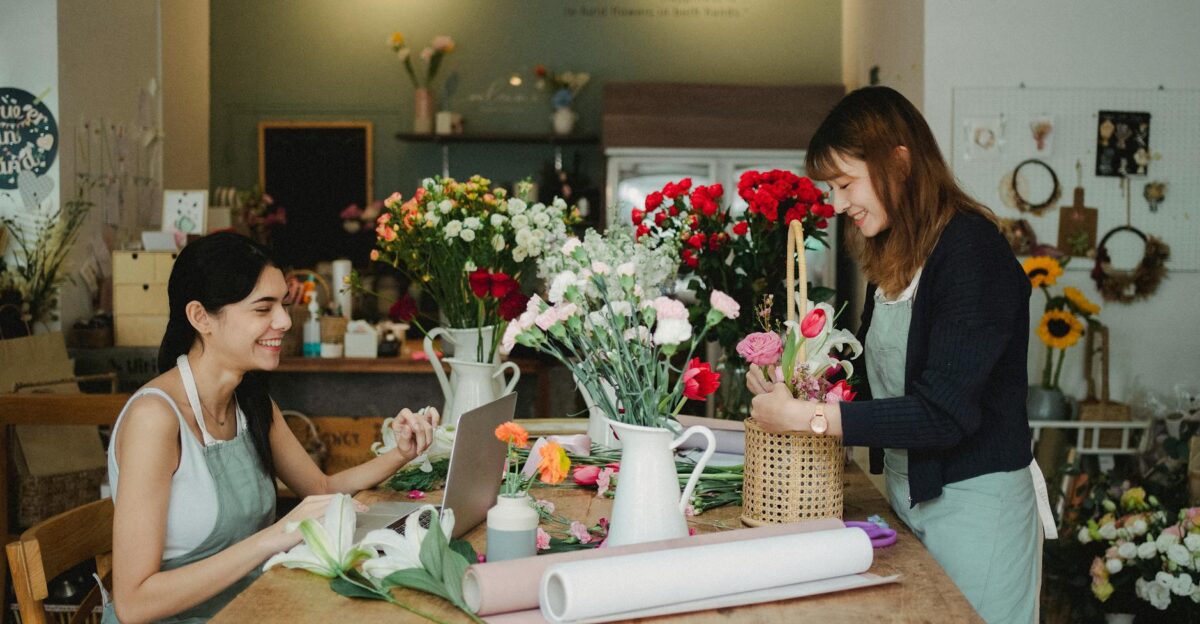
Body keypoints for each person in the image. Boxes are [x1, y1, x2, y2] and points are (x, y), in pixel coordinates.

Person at [746, 86, 1055, 623]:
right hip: (910, 497)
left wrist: (808, 418)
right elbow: (871, 375)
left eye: (845, 184)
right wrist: (801, 383)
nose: (838, 204)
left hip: (978, 510)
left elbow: (943, 413)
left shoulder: (971, 253)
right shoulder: (899, 254)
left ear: (900, 163)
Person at [104, 232, 438, 623]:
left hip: (250, 609)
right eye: (263, 309)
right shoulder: (155, 419)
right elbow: (133, 603)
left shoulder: (250, 402)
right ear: (200, 317)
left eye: (283, 304)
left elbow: (321, 489)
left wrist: (402, 452)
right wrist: (274, 537)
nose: (283, 321)